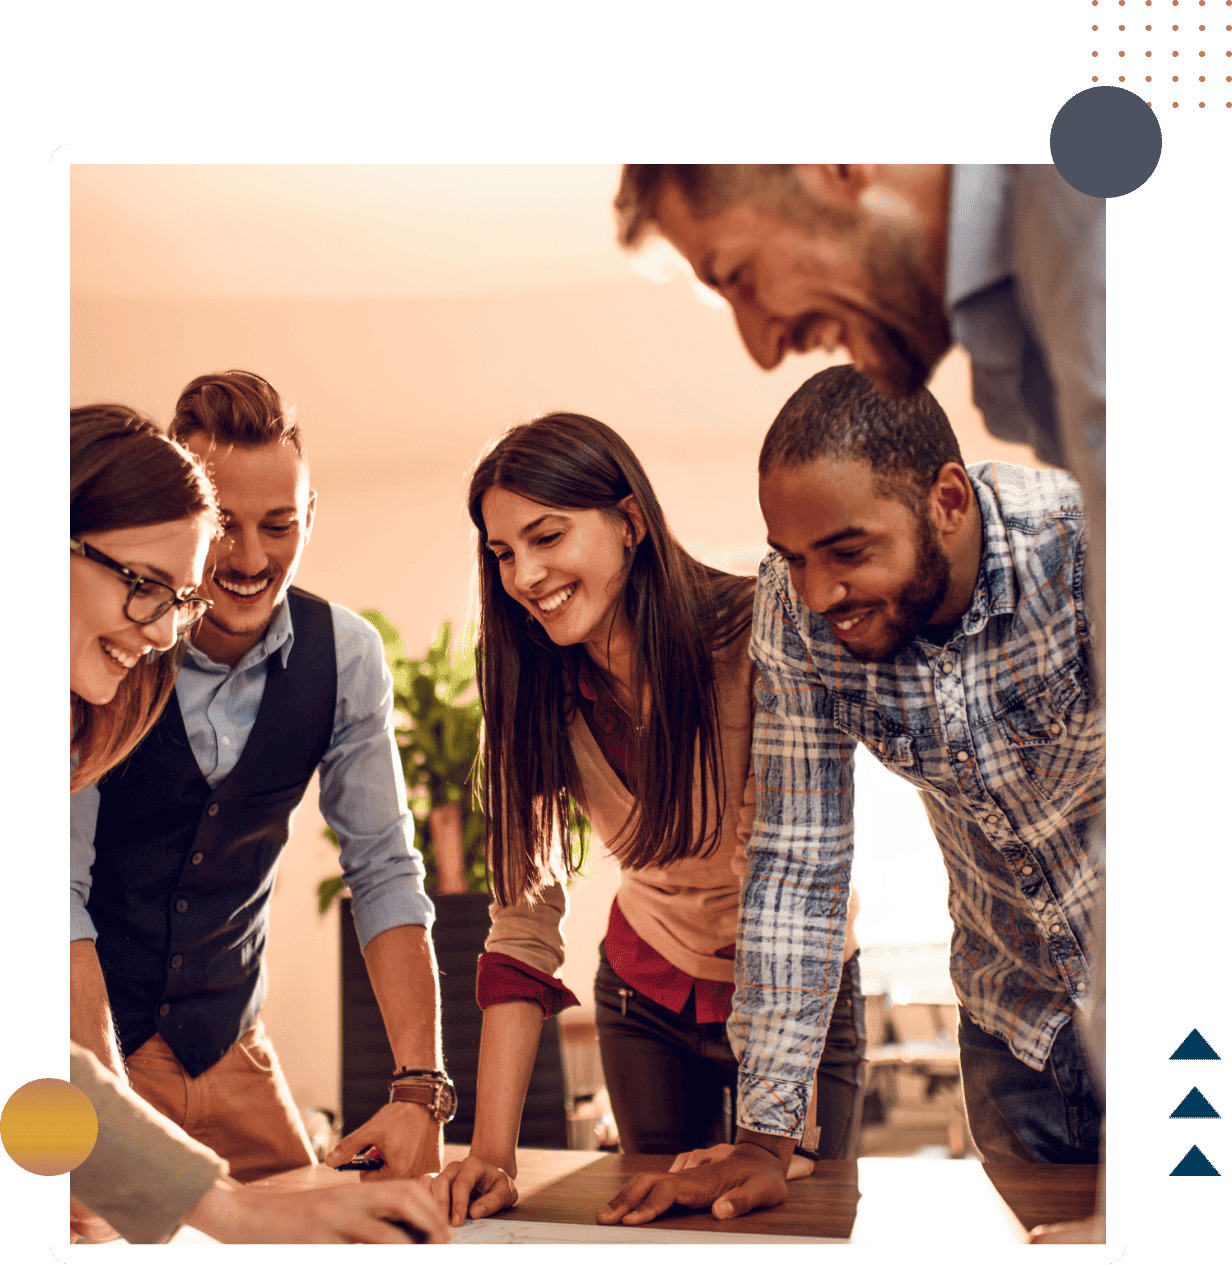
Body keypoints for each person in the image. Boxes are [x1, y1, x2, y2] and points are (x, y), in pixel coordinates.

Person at [598, 367, 1104, 1226]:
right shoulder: (797, 620)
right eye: (793, 557)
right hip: (1016, 1040)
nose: (817, 592)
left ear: (946, 499)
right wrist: (766, 1135)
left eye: (847, 551)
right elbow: (798, 862)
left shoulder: (1089, 547)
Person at [421, 413, 866, 1228]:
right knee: (655, 1228)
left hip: (797, 993)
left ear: (630, 522)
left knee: (785, 1225)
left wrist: (769, 1141)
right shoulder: (533, 687)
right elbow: (523, 923)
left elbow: (786, 880)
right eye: (503, 553)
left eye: (546, 536)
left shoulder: (757, 636)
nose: (524, 573)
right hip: (645, 992)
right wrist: (489, 1153)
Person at [67, 404, 448, 1244]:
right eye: (146, 585)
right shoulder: (92, 686)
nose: (165, 628)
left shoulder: (337, 656)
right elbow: (57, 939)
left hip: (225, 1038)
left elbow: (385, 865)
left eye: (177, 594)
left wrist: (420, 1086)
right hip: (106, 1036)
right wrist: (219, 1204)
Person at [613, 162, 1105, 662]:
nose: (764, 350)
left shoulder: (1085, 198)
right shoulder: (1015, 362)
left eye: (739, 277)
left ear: (836, 166)